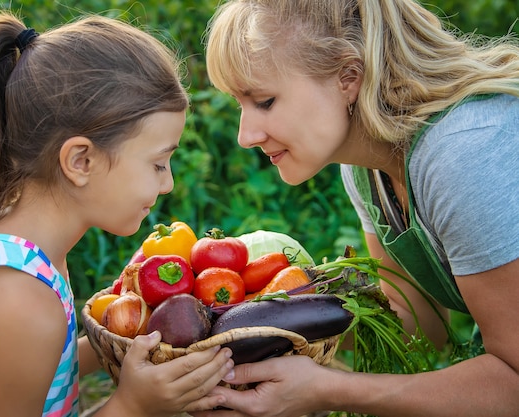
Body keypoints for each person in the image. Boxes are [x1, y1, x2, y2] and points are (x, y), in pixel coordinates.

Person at [197, 0, 519, 416]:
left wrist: (331, 389)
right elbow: (418, 321)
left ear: (348, 78)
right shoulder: (368, 167)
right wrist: (262, 326)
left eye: (265, 101)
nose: (246, 134)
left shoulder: (464, 153)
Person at [0, 10, 234, 417]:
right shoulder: (19, 301)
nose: (167, 183)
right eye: (157, 163)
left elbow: (41, 370)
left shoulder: (27, 252)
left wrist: (121, 345)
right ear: (81, 161)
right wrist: (133, 406)